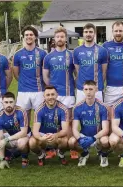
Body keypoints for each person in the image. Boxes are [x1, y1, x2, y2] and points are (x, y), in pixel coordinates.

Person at [43, 27, 77, 159]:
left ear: (65, 39)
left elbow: (76, 73)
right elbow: (45, 75)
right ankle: (52, 148)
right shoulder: (48, 57)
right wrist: (50, 90)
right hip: (54, 95)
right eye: (57, 37)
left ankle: (69, 147)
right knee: (53, 121)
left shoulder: (71, 55)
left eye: (62, 37)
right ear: (54, 39)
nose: (60, 39)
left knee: (68, 122)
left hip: (68, 93)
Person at [68, 80, 110, 167]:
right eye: (86, 89)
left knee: (105, 141)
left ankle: (103, 154)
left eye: (91, 89)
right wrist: (79, 139)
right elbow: (74, 128)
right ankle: (84, 153)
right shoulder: (78, 107)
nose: (88, 92)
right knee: (72, 142)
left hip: (98, 136)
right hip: (84, 135)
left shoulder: (103, 107)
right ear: (83, 90)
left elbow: (106, 129)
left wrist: (93, 138)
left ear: (96, 90)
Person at [0, 92, 31, 169]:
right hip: (11, 136)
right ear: (2, 103)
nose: (8, 104)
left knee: (21, 143)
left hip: (25, 136)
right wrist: (2, 159)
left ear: (15, 102)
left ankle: (25, 158)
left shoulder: (21, 112)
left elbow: (23, 133)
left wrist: (6, 140)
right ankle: (9, 155)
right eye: (6, 102)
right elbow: (0, 138)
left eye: (11, 102)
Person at [13, 26, 47, 125]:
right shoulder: (18, 54)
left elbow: (45, 72)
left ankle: (39, 136)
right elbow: (16, 73)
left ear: (35, 37)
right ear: (23, 37)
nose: (29, 37)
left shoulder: (42, 53)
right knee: (23, 116)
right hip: (23, 91)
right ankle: (26, 135)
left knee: (40, 116)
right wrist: (23, 81)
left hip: (39, 91)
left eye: (31, 35)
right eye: (26, 35)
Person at [29, 85, 69, 166]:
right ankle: (41, 155)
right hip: (43, 136)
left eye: (52, 94)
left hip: (56, 135)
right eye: (48, 95)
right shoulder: (39, 109)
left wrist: (55, 135)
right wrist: (41, 138)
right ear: (44, 96)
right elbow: (35, 131)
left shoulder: (63, 109)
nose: (50, 97)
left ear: (57, 95)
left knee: (65, 141)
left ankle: (60, 154)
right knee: (32, 142)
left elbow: (65, 130)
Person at [73, 23, 108, 103]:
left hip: (97, 89)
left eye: (90, 32)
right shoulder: (77, 51)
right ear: (83, 34)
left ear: (94, 33)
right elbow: (77, 71)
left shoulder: (102, 50)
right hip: (81, 89)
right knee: (81, 113)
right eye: (86, 32)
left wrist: (98, 85)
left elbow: (104, 71)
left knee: (97, 112)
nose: (88, 34)